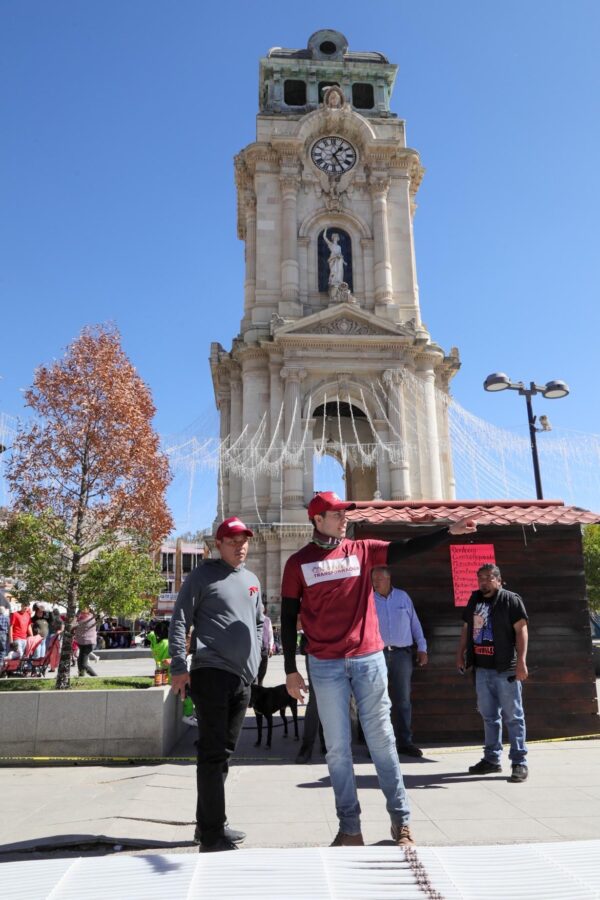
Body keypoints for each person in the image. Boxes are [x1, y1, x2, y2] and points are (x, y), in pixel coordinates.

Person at [281, 491, 476, 847]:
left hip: (368, 658)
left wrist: (448, 532)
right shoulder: (297, 563)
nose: (344, 518)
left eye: (344, 513)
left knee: (383, 741)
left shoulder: (362, 550)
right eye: (336, 513)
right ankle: (350, 828)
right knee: (337, 749)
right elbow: (288, 614)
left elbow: (405, 548)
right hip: (324, 664)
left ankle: (401, 822)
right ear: (317, 519)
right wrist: (291, 669)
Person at [169, 515, 264, 853]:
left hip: (242, 680)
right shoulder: (202, 576)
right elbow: (179, 620)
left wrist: (255, 667)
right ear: (217, 545)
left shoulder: (252, 579)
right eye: (234, 541)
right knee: (212, 754)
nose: (241, 546)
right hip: (210, 673)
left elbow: (257, 621)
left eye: (245, 540)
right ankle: (212, 837)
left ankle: (208, 822)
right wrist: (179, 666)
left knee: (222, 756)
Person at [456, 563, 529, 783]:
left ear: (498, 579)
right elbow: (467, 628)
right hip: (481, 668)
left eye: (488, 578)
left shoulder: (510, 599)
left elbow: (522, 630)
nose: (484, 582)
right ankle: (491, 760)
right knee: (489, 717)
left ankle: (519, 762)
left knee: (513, 717)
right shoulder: (474, 599)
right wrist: (460, 654)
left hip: (505, 667)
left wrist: (522, 662)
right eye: (480, 578)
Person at [371, 567, 428, 758]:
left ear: (389, 579)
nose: (376, 583)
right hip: (376, 655)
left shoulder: (403, 597)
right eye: (374, 579)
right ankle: (378, 745)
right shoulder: (368, 600)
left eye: (379, 579)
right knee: (377, 701)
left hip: (402, 655)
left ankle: (404, 742)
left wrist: (422, 647)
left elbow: (415, 623)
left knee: (402, 699)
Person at [73, 606, 98, 676]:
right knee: (79, 661)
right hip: (83, 642)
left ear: (88, 610)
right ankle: (81, 676)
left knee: (84, 664)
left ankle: (96, 677)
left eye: (84, 611)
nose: (82, 612)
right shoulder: (83, 617)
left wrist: (76, 617)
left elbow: (73, 625)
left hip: (88, 643)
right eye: (81, 611)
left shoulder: (89, 618)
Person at [257, 603, 274, 686]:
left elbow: (270, 634)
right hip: (255, 649)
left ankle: (260, 685)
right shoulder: (252, 619)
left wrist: (271, 648)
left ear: (263, 610)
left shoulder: (267, 620)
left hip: (264, 648)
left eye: (261, 609)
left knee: (262, 671)